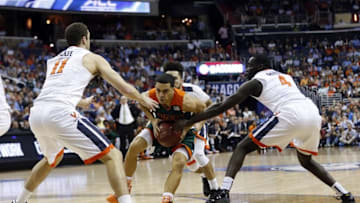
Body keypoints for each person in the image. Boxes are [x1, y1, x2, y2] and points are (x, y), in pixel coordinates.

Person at [174, 54, 355, 203]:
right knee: (306, 161)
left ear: (260, 66)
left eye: (250, 66)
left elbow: (222, 106)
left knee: (242, 147)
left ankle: (223, 192)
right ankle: (344, 193)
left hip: (289, 114)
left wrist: (190, 121)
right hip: (313, 114)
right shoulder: (287, 77)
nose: (248, 70)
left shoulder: (257, 81)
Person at [12, 22, 158, 203]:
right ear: (84, 38)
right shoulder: (92, 57)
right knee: (113, 155)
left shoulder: (54, 60)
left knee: (51, 159)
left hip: (37, 113)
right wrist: (142, 99)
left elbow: (54, 90)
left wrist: (80, 102)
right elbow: (123, 87)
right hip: (59, 113)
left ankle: (19, 201)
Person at [124, 73, 206, 203]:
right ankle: (125, 186)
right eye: (158, 90)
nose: (161, 95)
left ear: (174, 89)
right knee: (134, 146)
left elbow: (204, 111)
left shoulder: (186, 101)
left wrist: (189, 126)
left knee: (178, 163)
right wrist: (153, 119)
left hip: (182, 131)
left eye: (166, 91)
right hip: (161, 125)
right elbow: (141, 101)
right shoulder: (151, 96)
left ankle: (167, 198)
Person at [163, 62, 220, 197]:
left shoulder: (192, 89)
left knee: (200, 155)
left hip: (196, 125)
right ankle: (205, 176)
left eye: (175, 78)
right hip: (177, 131)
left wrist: (199, 124)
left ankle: (216, 190)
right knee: (193, 166)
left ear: (181, 79)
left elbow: (210, 105)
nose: (172, 81)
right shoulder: (162, 93)